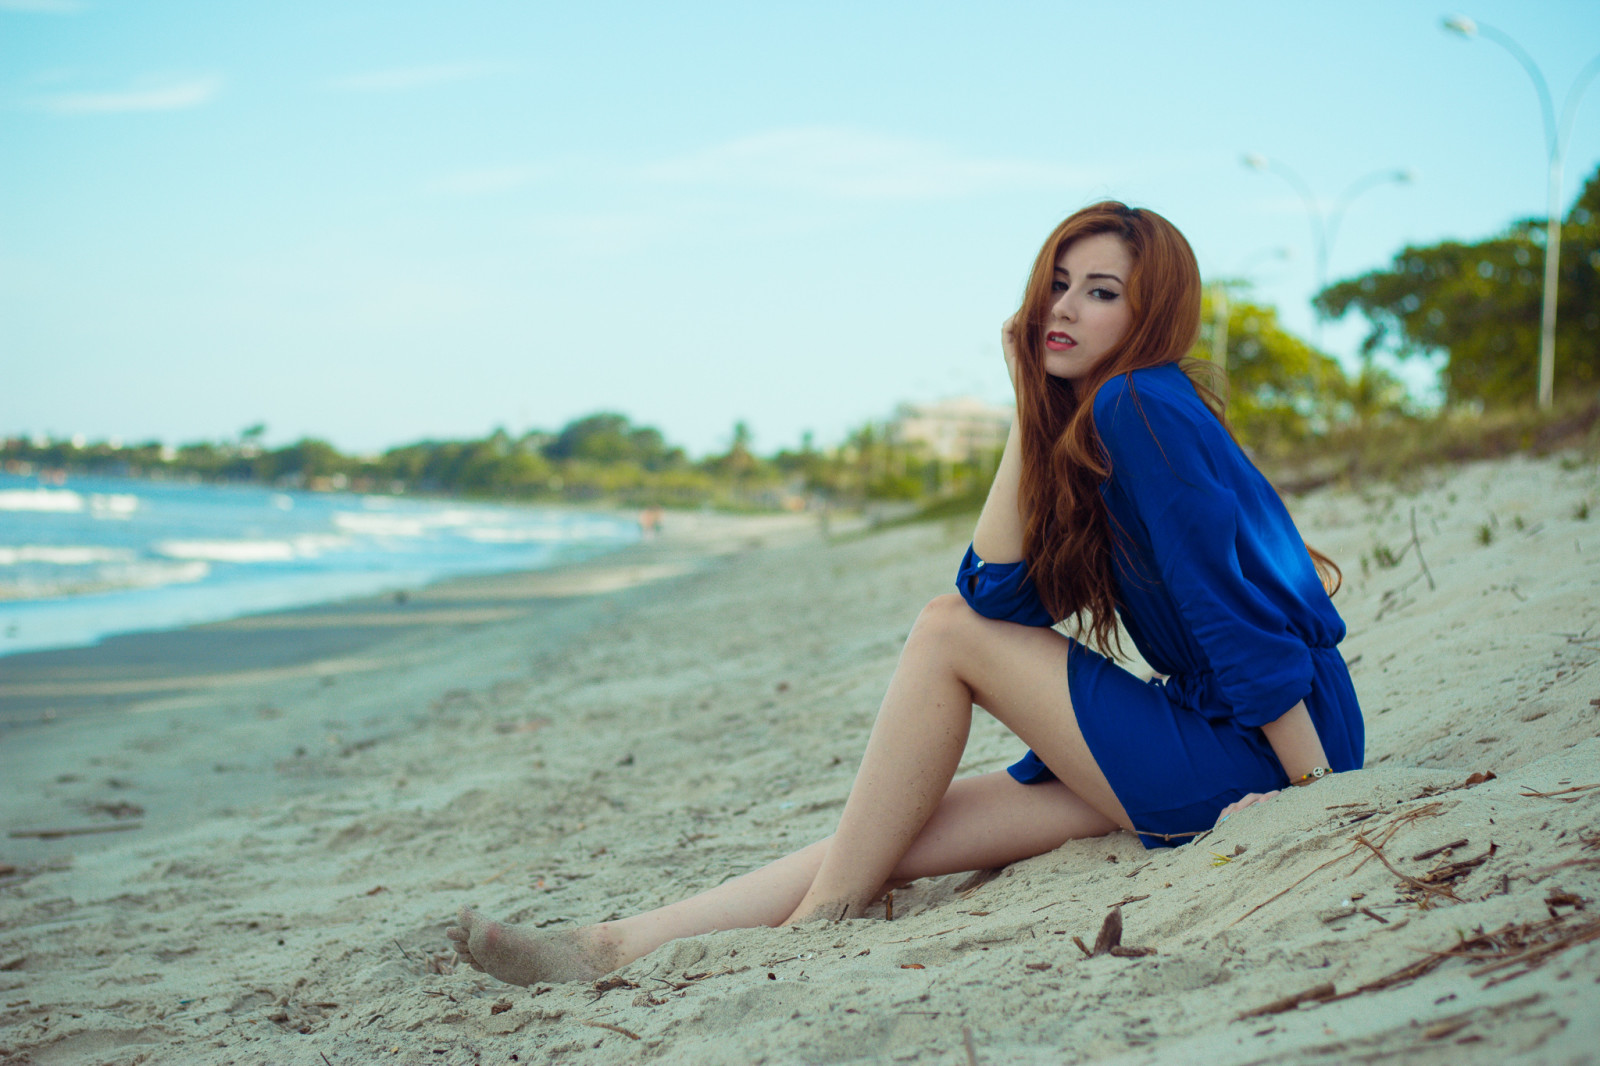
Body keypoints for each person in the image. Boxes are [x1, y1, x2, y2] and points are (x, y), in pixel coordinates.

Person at [447, 201, 1364, 986]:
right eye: (1058, 282)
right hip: (1219, 734)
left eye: (1101, 291)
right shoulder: (1098, 420)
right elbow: (999, 589)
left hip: (1265, 747)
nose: (1065, 306)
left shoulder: (1140, 406)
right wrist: (1028, 404)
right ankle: (609, 946)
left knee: (940, 633)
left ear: (1151, 311)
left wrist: (1308, 791)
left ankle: (823, 920)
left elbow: (1230, 612)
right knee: (901, 826)